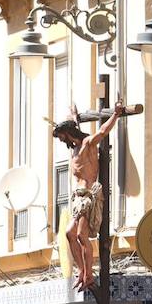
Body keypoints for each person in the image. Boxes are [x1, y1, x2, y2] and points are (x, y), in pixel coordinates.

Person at [53, 98, 127, 289]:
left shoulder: (87, 144)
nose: (61, 140)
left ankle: (89, 274)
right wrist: (75, 117)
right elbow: (75, 129)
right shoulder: (75, 149)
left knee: (80, 235)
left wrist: (116, 114)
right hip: (78, 198)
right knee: (69, 233)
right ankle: (82, 271)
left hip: (88, 196)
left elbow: (102, 132)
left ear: (68, 134)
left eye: (61, 136)